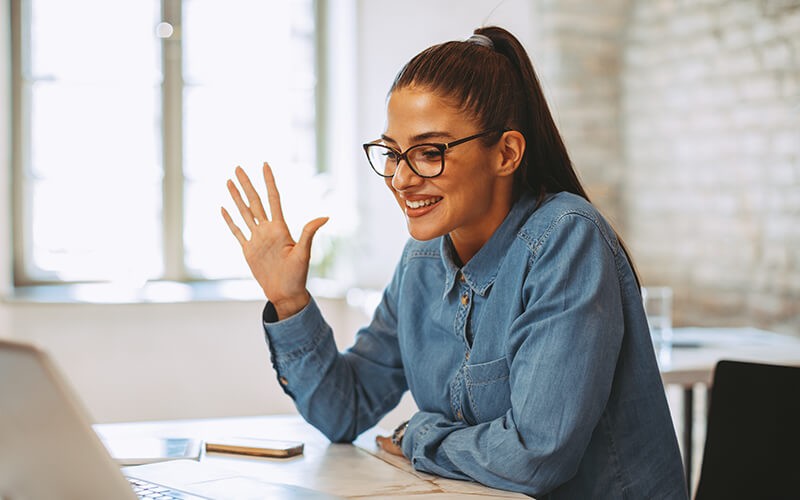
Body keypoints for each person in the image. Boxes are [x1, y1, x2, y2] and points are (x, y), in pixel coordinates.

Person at [221, 26, 687, 499]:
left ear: (506, 153)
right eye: (393, 153)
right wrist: (289, 300)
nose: (401, 178)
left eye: (429, 152)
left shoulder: (565, 239)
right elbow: (346, 410)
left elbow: (536, 455)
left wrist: (419, 435)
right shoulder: (421, 261)